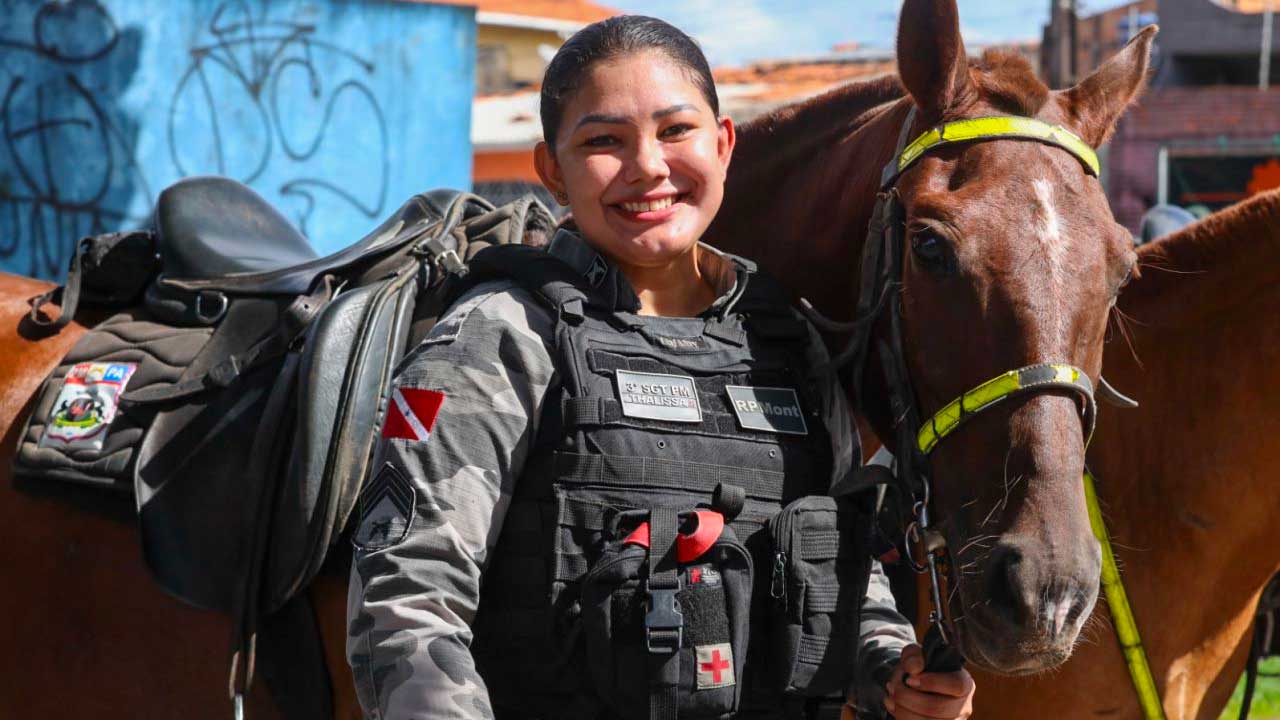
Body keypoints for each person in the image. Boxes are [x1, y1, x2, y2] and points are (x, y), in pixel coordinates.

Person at [347, 15, 975, 720]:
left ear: (724, 142)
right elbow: (405, 601)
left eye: (676, 131)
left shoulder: (789, 343)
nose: (647, 166)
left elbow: (839, 577)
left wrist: (894, 671)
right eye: (603, 141)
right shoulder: (503, 335)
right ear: (552, 169)